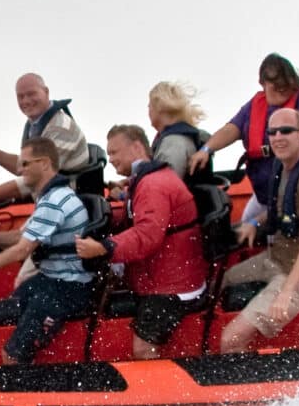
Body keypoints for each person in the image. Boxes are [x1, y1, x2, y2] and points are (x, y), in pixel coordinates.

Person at [188, 4, 299, 219]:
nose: (281, 90)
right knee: (244, 224)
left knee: (257, 225)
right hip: (263, 197)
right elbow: (231, 129)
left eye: (284, 85)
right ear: (262, 83)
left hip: (293, 195)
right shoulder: (254, 107)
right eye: (275, 86)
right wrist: (206, 149)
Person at [0, 138, 93, 364]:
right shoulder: (50, 196)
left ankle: (23, 370)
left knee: (11, 356)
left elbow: (21, 250)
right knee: (7, 310)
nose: (19, 169)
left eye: (25, 164)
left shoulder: (54, 202)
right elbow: (19, 237)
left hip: (68, 288)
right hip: (51, 279)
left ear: (44, 163)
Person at [75, 124, 207, 359]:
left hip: (173, 288)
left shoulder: (152, 184)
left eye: (114, 152)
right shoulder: (145, 181)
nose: (110, 159)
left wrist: (104, 248)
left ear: (136, 147)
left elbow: (147, 235)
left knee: (143, 348)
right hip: (160, 280)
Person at [220, 108, 299, 353]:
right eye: (272, 132)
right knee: (220, 281)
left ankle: (248, 376)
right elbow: (283, 208)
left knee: (231, 340)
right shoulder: (284, 166)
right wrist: (254, 223)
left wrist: (286, 293)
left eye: (286, 131)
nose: (277, 138)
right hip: (276, 259)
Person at [0, 73, 89, 203]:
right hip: (48, 197)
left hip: (67, 203)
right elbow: (24, 167)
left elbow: (36, 178)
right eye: (20, 97)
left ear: (46, 92)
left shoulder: (60, 128)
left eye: (31, 94)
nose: (26, 101)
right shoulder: (35, 124)